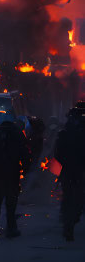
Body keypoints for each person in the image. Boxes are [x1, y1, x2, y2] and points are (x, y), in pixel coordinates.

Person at [0, 114, 28, 238]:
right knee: (11, 201)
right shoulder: (17, 133)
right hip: (12, 171)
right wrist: (25, 169)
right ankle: (11, 228)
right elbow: (24, 152)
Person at [54, 102, 85, 240]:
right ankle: (70, 222)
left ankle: (68, 224)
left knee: (68, 198)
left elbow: (57, 154)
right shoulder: (71, 133)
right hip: (78, 171)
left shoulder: (64, 133)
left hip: (69, 170)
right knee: (77, 198)